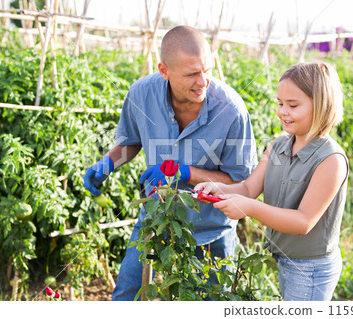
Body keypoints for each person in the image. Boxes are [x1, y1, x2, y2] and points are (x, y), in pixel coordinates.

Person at [83, 25, 256, 300]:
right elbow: (131, 141)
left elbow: (241, 182)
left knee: (213, 303)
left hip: (210, 229)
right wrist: (108, 162)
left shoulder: (231, 110)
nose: (203, 82)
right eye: (191, 74)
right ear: (164, 71)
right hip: (156, 217)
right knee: (127, 294)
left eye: (207, 70)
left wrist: (183, 172)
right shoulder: (141, 94)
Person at [195, 61, 349, 301]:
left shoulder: (330, 160)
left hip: (311, 268)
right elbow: (248, 188)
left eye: (293, 105)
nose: (282, 112)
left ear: (321, 105)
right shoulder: (278, 146)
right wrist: (219, 188)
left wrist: (248, 208)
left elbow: (303, 222)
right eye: (280, 103)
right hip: (286, 258)